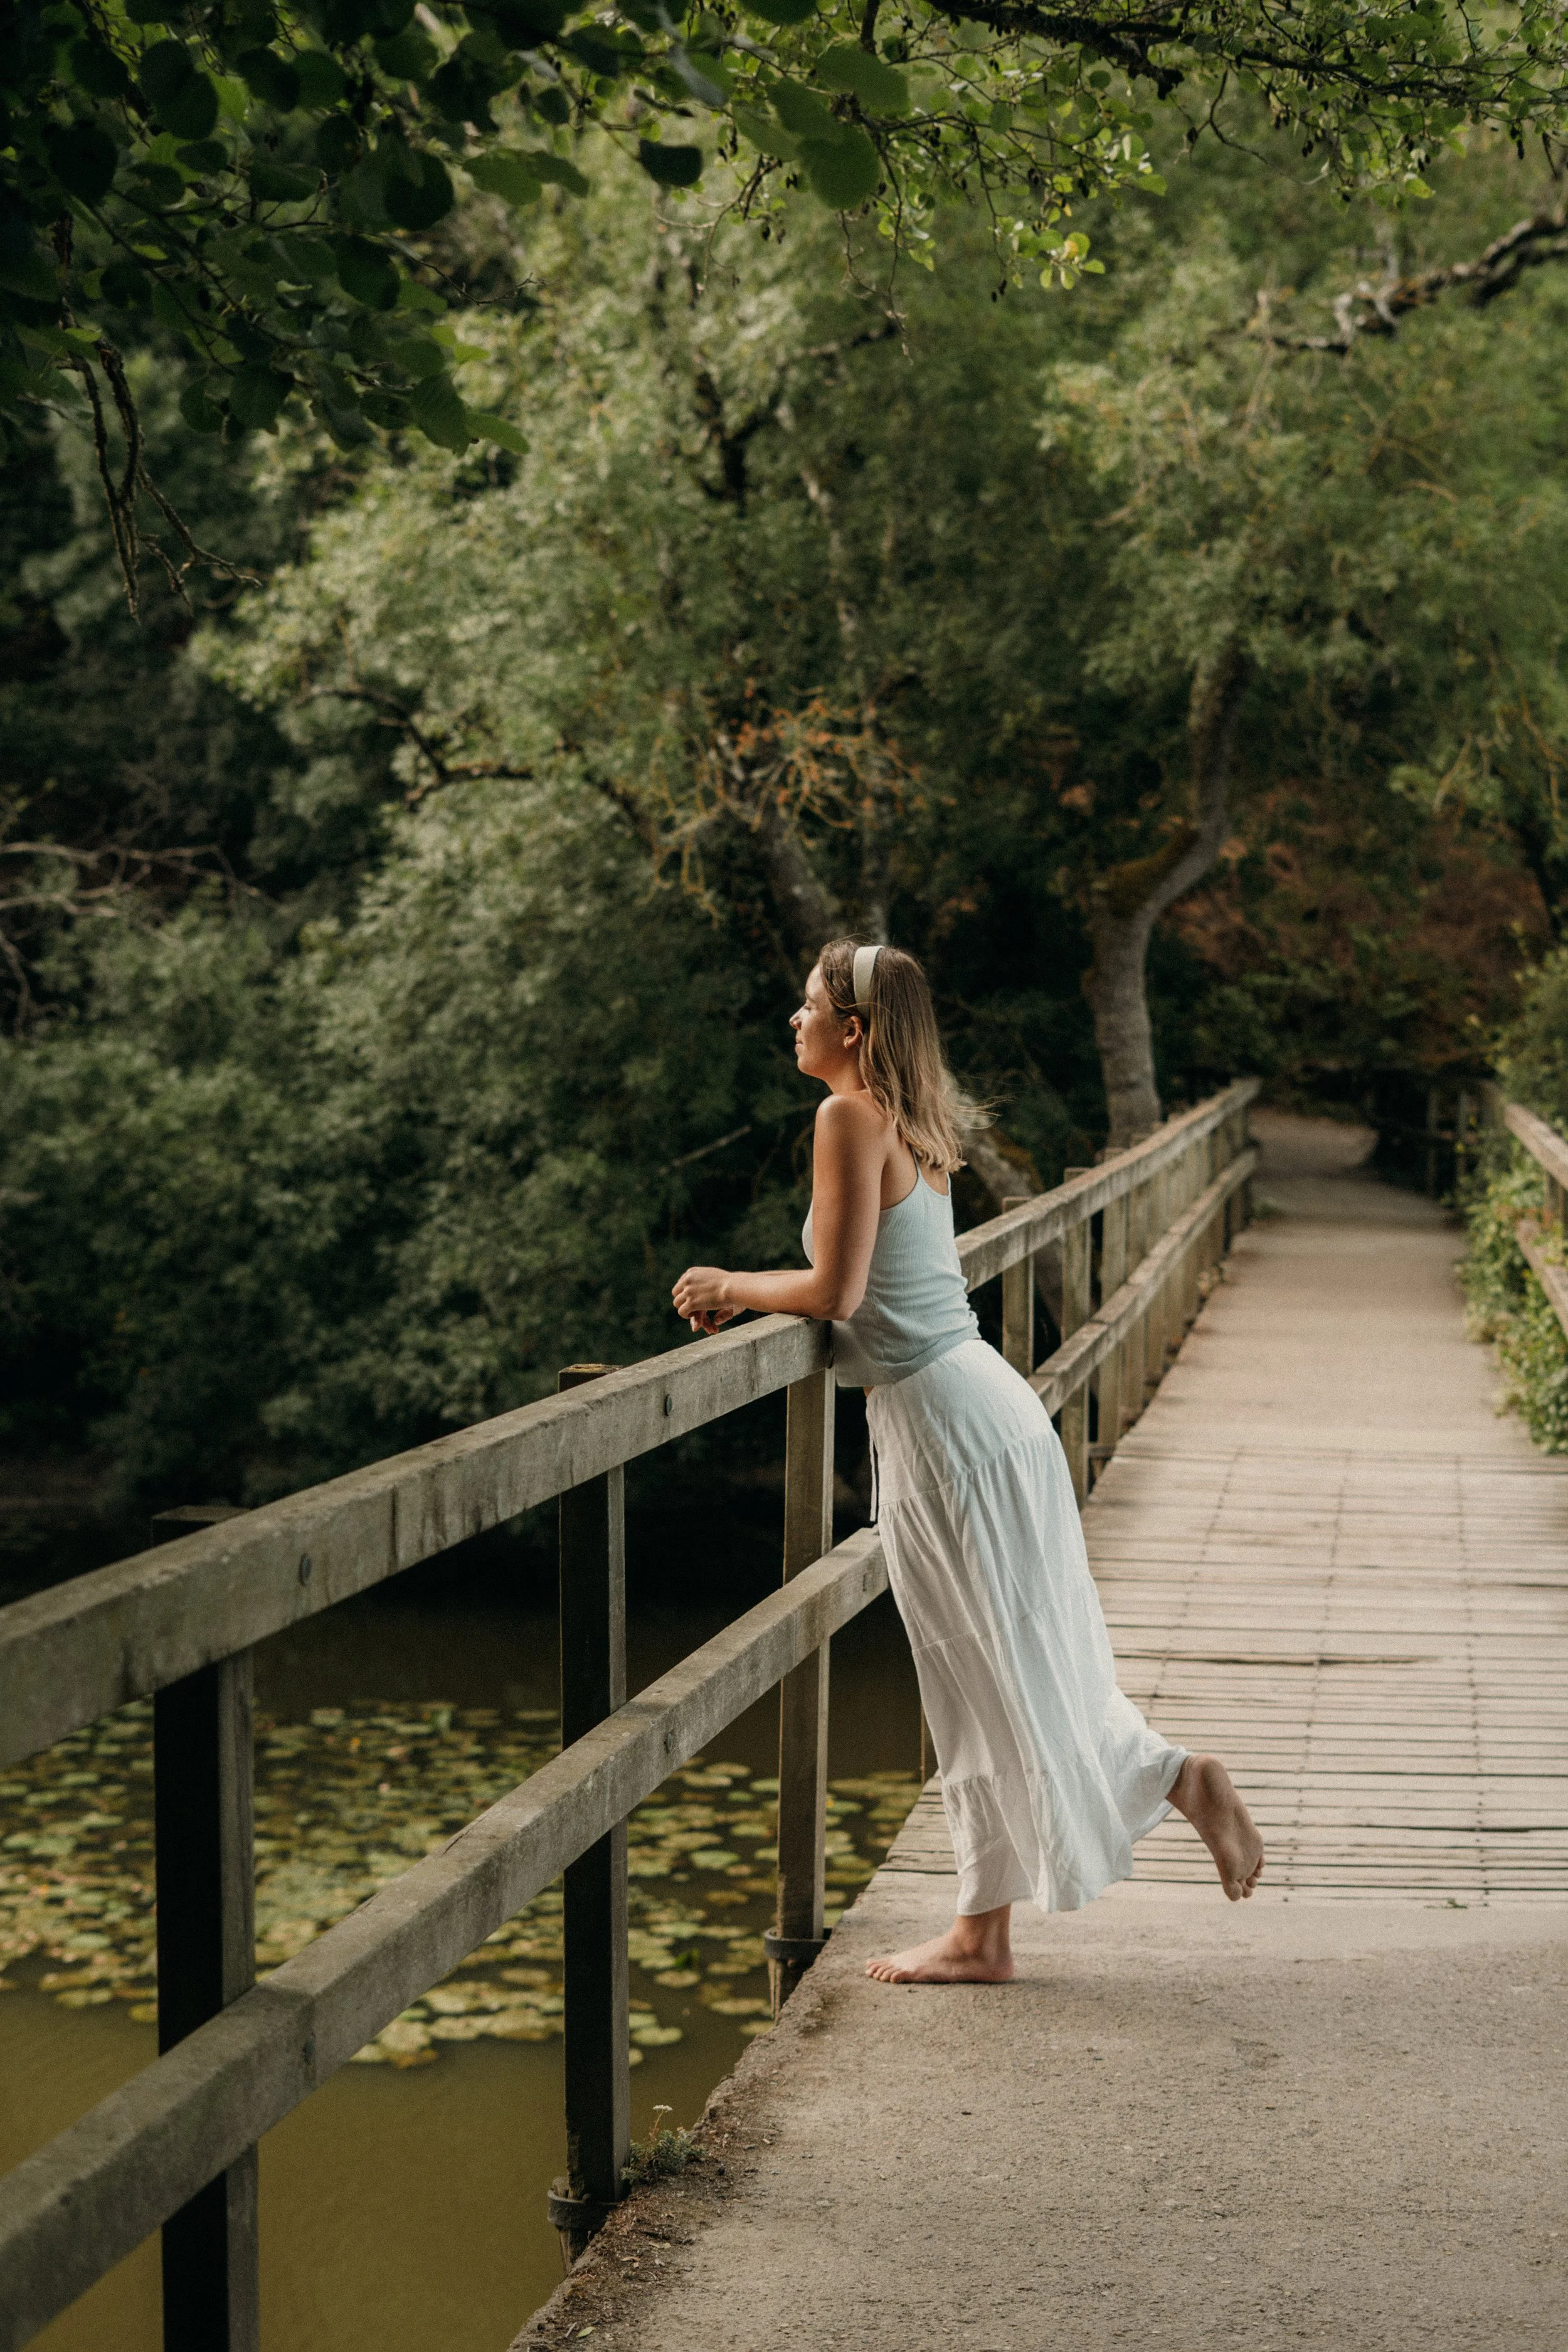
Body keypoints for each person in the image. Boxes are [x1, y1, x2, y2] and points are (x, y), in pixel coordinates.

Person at [672, 940, 1264, 1986]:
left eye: (808, 1007)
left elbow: (839, 1292)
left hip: (943, 1429)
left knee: (974, 1673)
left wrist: (732, 1280)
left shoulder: (847, 1116)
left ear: (852, 1029)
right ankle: (992, 1922)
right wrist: (761, 1294)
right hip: (975, 1410)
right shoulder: (916, 1121)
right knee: (1001, 1665)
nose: (794, 1021)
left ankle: (1160, 1792)